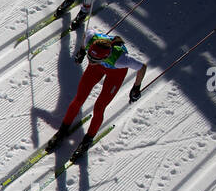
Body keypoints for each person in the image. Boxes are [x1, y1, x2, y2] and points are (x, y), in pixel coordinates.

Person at [44, 33, 147, 162]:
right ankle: (62, 131)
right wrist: (82, 50)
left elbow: (142, 67)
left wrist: (136, 87)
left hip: (115, 72)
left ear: (106, 56)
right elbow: (85, 37)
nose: (90, 62)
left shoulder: (121, 60)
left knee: (99, 108)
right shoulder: (91, 38)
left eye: (93, 60)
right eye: (89, 58)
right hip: (98, 68)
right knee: (78, 99)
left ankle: (87, 140)